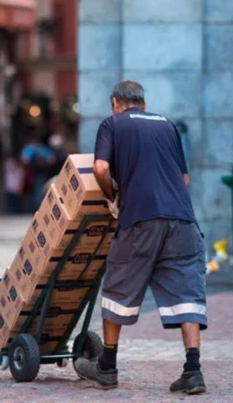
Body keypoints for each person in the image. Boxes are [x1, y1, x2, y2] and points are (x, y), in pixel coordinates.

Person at [73, 81, 207, 394]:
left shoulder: (112, 124)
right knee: (187, 290)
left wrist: (112, 198)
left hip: (139, 219)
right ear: (143, 104)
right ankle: (193, 370)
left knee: (119, 283)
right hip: (183, 221)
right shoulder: (167, 125)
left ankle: (107, 367)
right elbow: (184, 178)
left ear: (114, 103)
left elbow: (101, 167)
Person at [20, 127, 55, 209]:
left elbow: (24, 160)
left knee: (36, 190)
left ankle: (37, 207)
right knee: (40, 190)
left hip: (34, 172)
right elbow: (52, 160)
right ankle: (41, 207)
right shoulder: (43, 149)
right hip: (43, 172)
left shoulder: (29, 148)